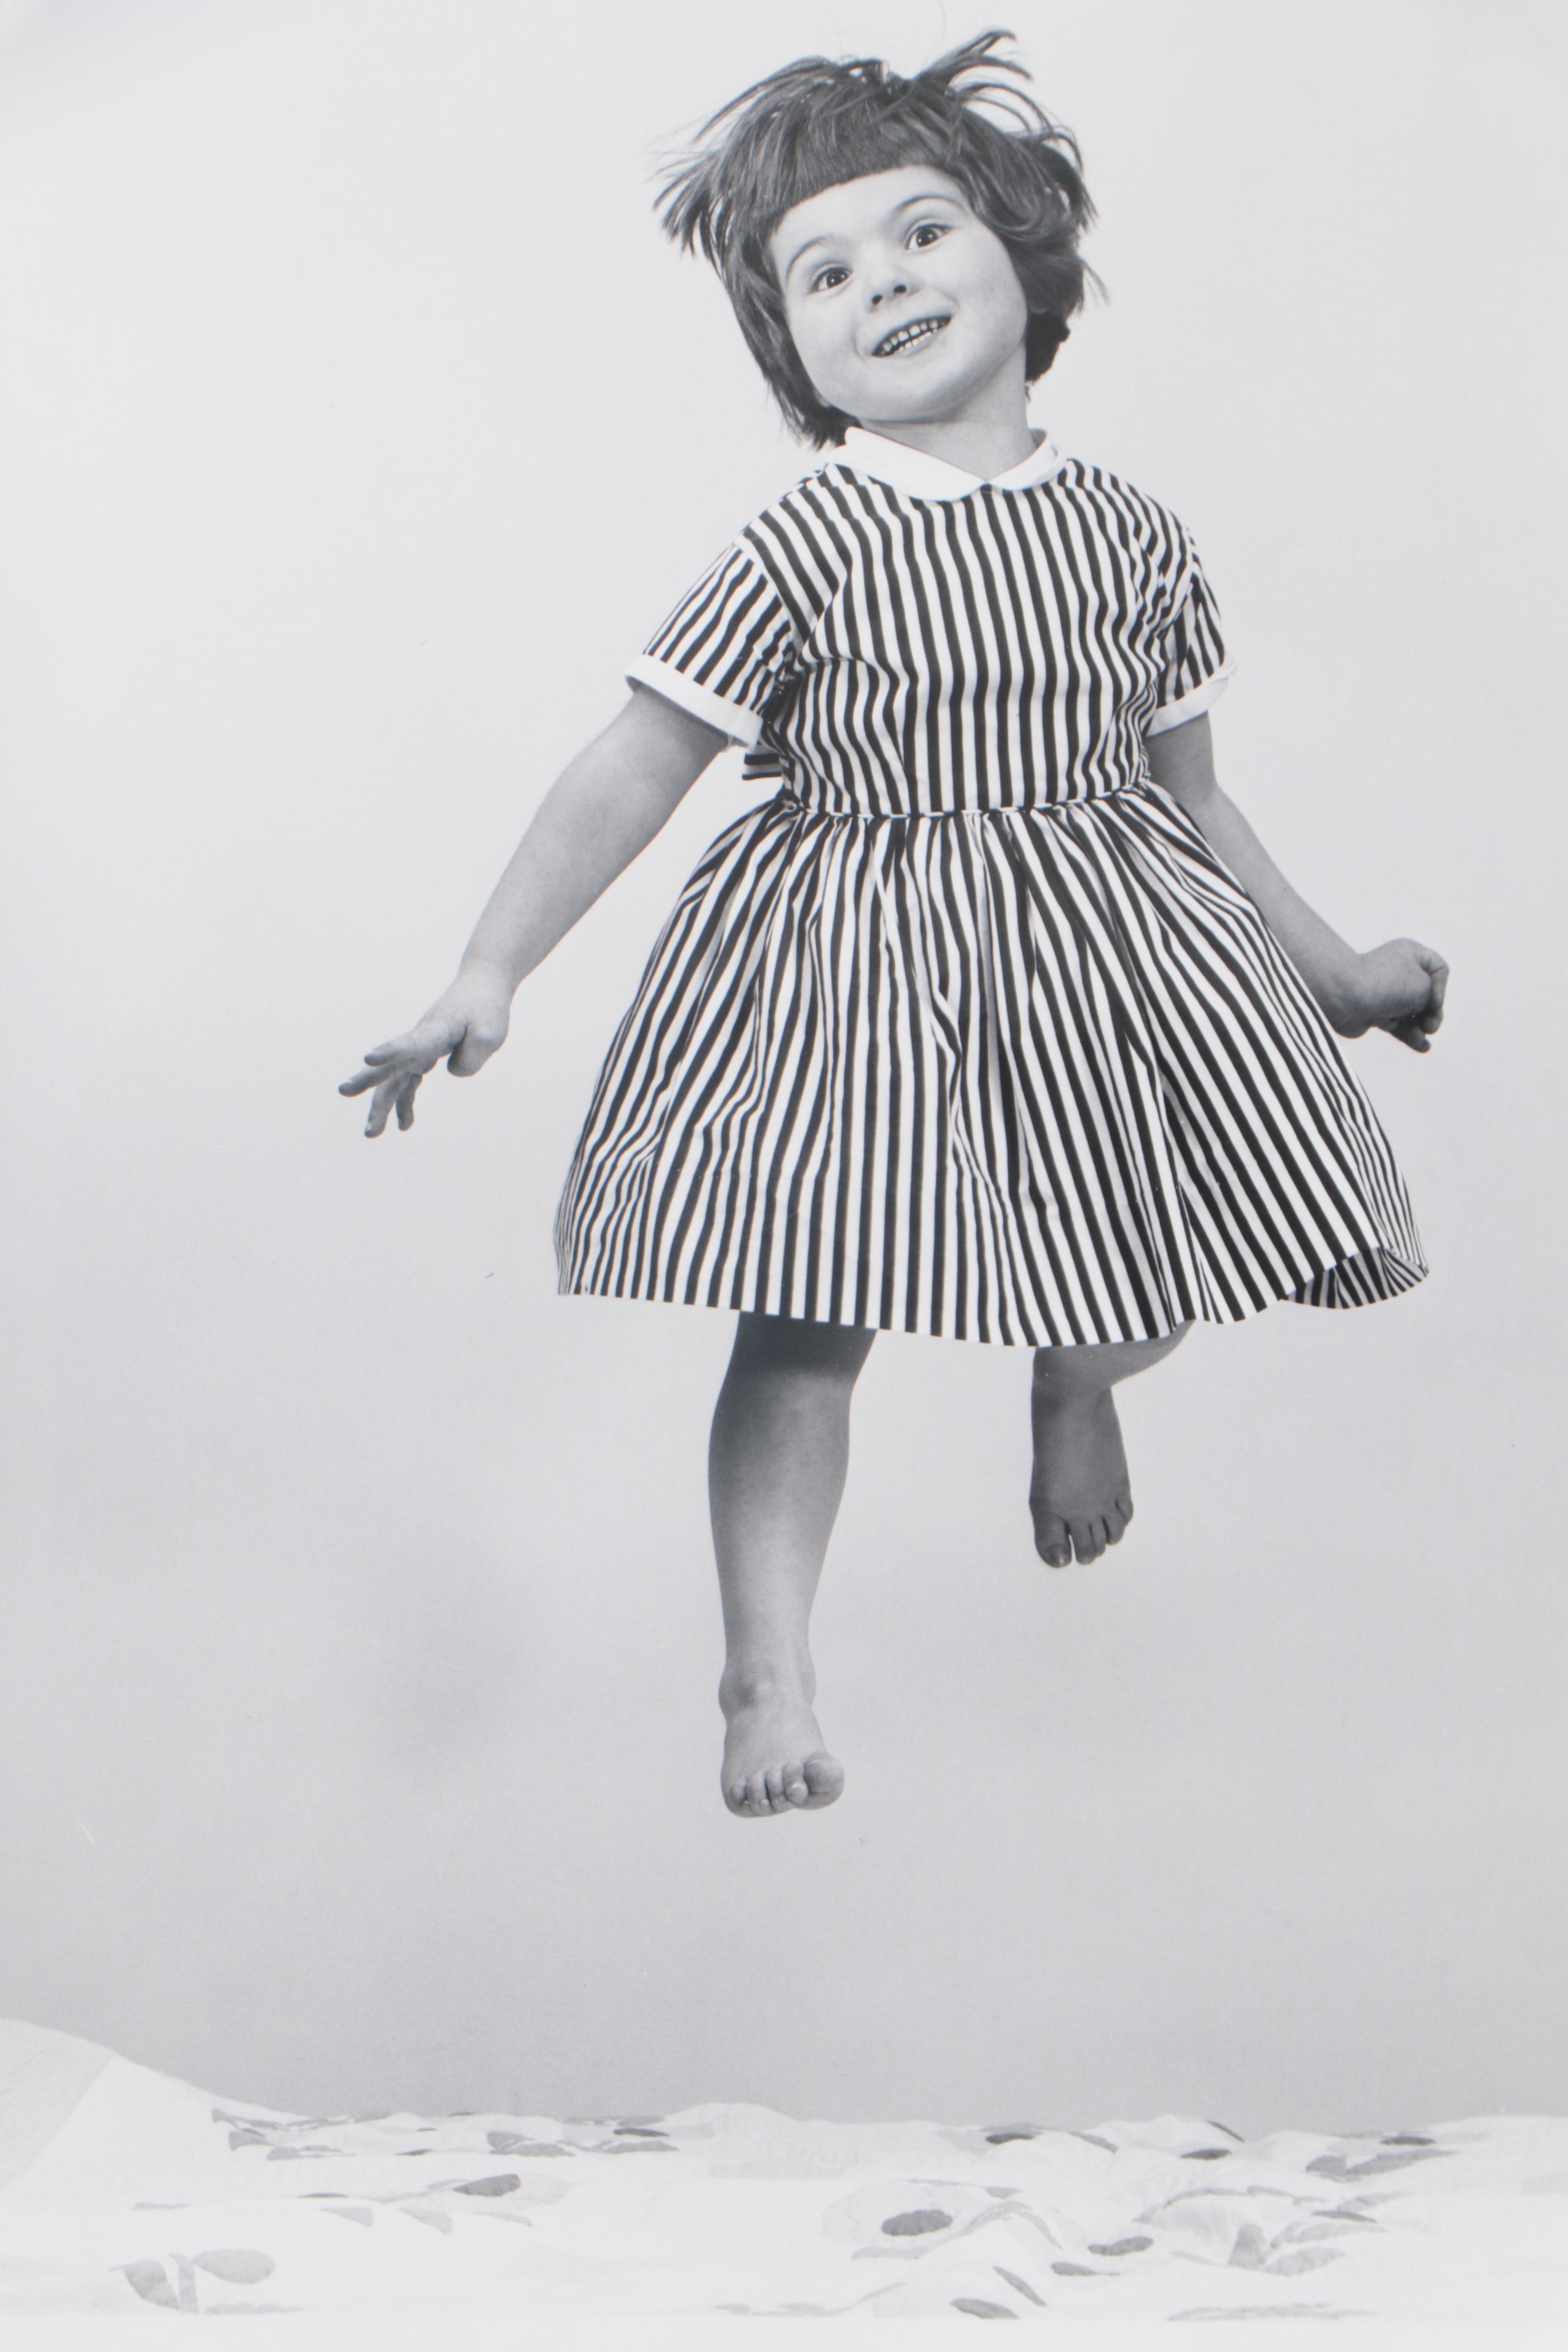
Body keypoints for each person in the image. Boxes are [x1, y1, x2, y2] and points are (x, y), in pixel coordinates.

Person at [341, 33, 1447, 1822]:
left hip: (1110, 965)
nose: (886, 286)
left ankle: (1078, 1374)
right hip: (859, 968)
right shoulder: (810, 539)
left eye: (922, 234)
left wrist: (1336, 976)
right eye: (826, 276)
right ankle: (765, 1669)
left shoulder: (1137, 535)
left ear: (1026, 253)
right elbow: (639, 757)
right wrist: (493, 964)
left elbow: (1198, 798)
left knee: (1189, 1247)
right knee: (800, 1322)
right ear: (797, 353)